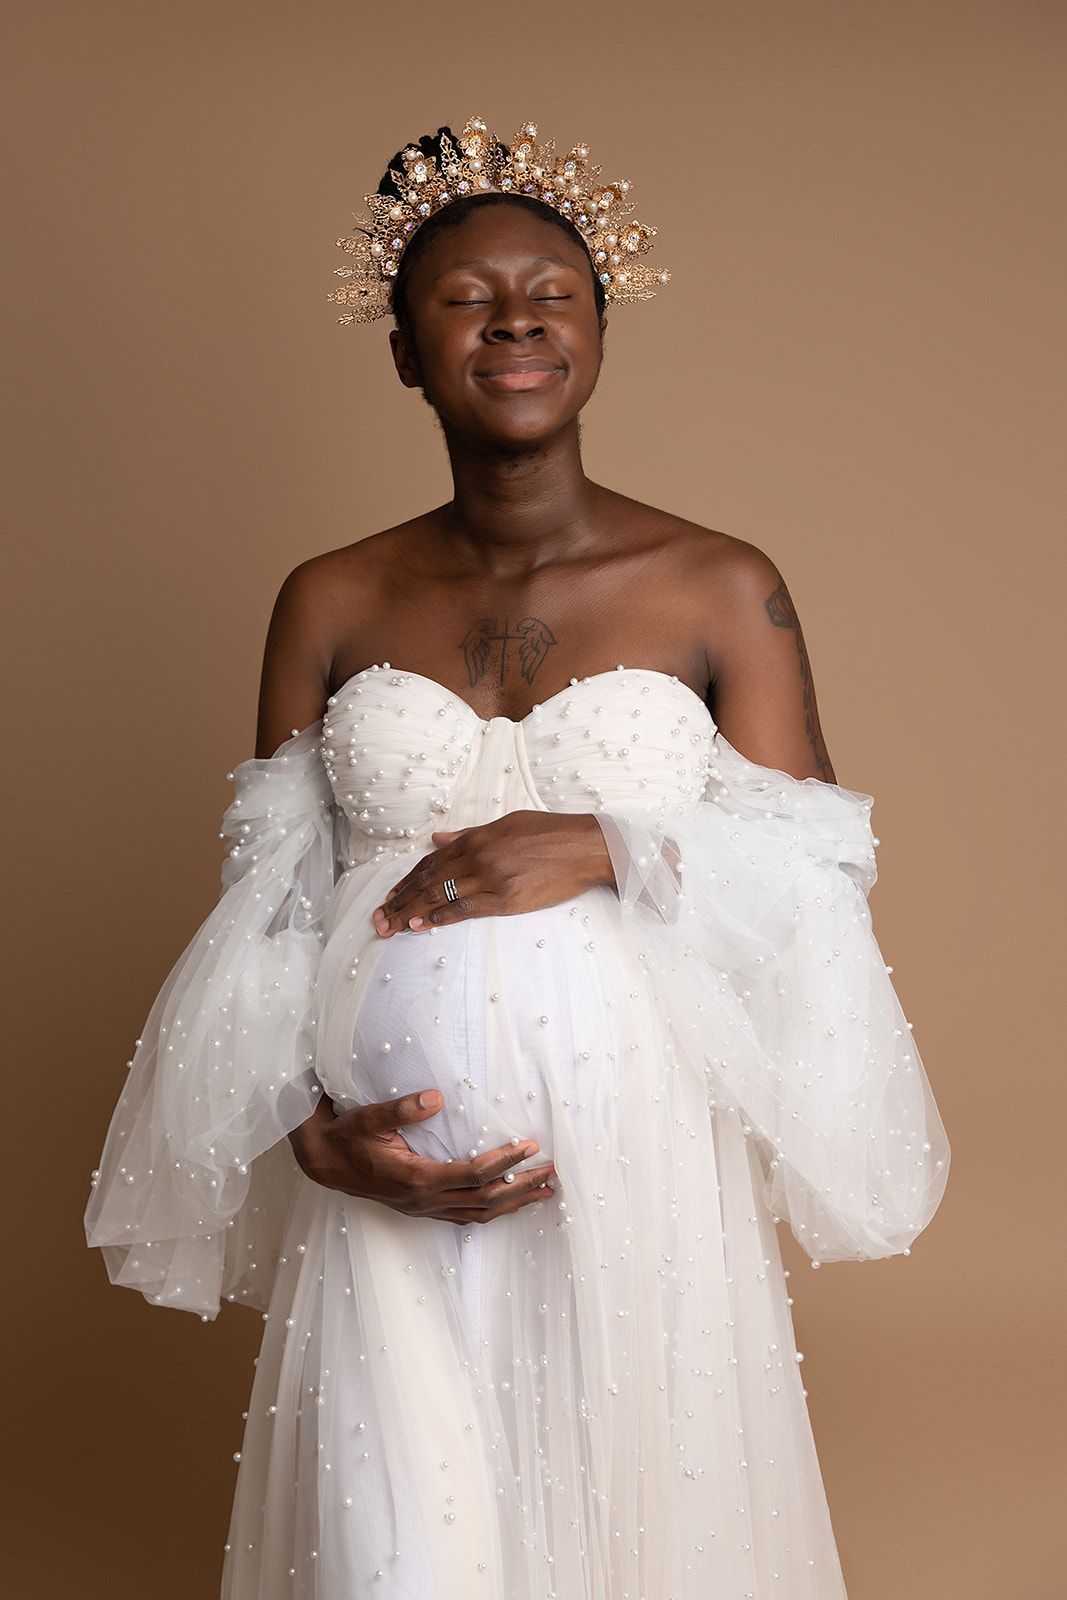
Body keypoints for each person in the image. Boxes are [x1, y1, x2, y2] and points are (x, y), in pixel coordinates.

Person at [84, 117, 951, 1600]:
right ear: (409, 354)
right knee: (401, 1562)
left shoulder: (719, 585)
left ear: (599, 330)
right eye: (465, 297)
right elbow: (271, 909)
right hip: (390, 1183)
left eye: (552, 289)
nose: (516, 318)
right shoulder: (331, 596)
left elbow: (816, 884)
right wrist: (308, 1128)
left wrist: (616, 840)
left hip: (640, 1168)